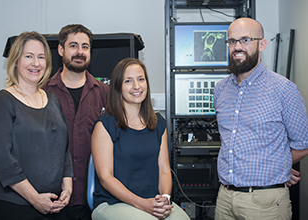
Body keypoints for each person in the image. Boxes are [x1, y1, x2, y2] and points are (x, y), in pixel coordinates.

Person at [213, 17, 308, 220]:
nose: (237, 47)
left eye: (245, 40)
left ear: (262, 44)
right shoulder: (220, 89)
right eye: (232, 41)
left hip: (266, 203)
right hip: (224, 198)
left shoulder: (284, 89)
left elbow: (303, 144)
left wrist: (277, 167)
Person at [0, 31, 73, 220]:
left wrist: (68, 186)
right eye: (28, 56)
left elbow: (63, 149)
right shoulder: (2, 102)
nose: (36, 63)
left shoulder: (52, 99)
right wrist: (34, 199)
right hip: (15, 207)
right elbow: (4, 161)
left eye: (41, 57)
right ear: (16, 61)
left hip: (54, 205)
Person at [91, 58, 190, 220]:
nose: (136, 86)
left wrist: (165, 199)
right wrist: (142, 204)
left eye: (141, 79)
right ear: (118, 87)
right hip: (113, 203)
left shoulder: (159, 124)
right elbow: (106, 178)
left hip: (152, 200)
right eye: (128, 81)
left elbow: (164, 169)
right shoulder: (104, 126)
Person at [43, 24, 108, 220]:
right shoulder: (43, 92)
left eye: (85, 46)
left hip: (94, 197)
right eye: (73, 46)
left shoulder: (105, 93)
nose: (80, 52)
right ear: (61, 50)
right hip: (53, 198)